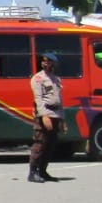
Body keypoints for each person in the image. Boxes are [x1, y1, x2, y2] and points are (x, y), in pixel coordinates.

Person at [29, 51, 63, 183]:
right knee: (40, 144)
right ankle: (33, 172)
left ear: (53, 63)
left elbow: (60, 100)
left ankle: (43, 171)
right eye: (43, 61)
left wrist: (62, 119)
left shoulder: (56, 79)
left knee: (50, 145)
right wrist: (44, 116)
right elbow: (39, 99)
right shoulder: (38, 78)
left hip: (55, 115)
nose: (45, 63)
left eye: (48, 61)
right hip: (44, 115)